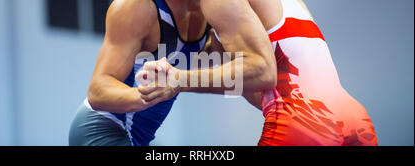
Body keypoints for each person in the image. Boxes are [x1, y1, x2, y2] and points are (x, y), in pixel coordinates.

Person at [138, 0, 378, 146]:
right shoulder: (288, 4)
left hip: (304, 119)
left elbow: (264, 72)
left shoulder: (218, 3)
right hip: (355, 120)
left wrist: (178, 80)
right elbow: (255, 86)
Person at [69, 0, 214, 146]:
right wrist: (149, 92)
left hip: (139, 138)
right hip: (102, 126)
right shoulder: (136, 7)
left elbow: (232, 76)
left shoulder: (215, 12)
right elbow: (97, 91)